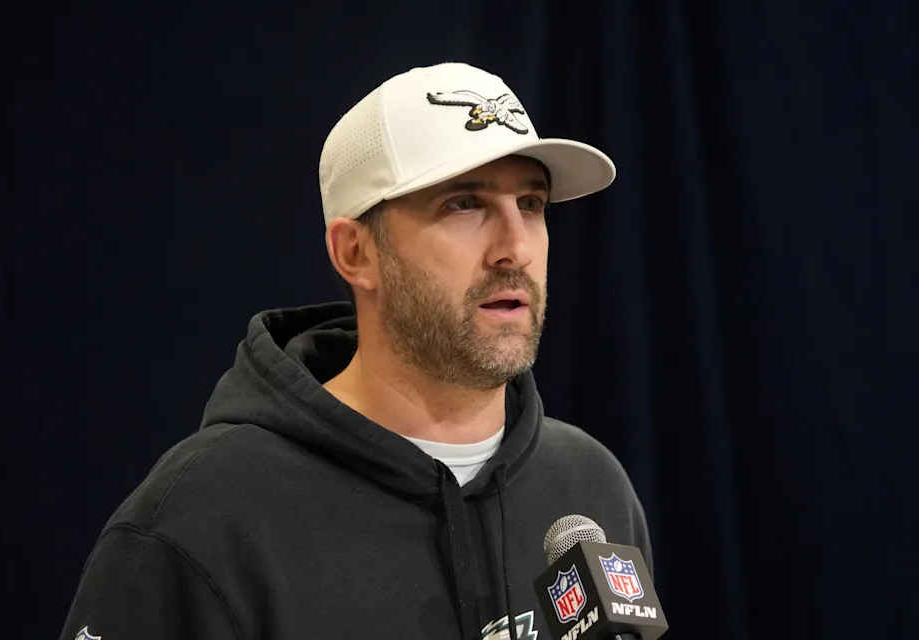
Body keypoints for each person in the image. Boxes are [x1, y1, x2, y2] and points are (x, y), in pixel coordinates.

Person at [59, 62, 653, 640]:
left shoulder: (590, 485)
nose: (516, 248)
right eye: (464, 204)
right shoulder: (201, 520)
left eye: (531, 204)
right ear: (356, 254)